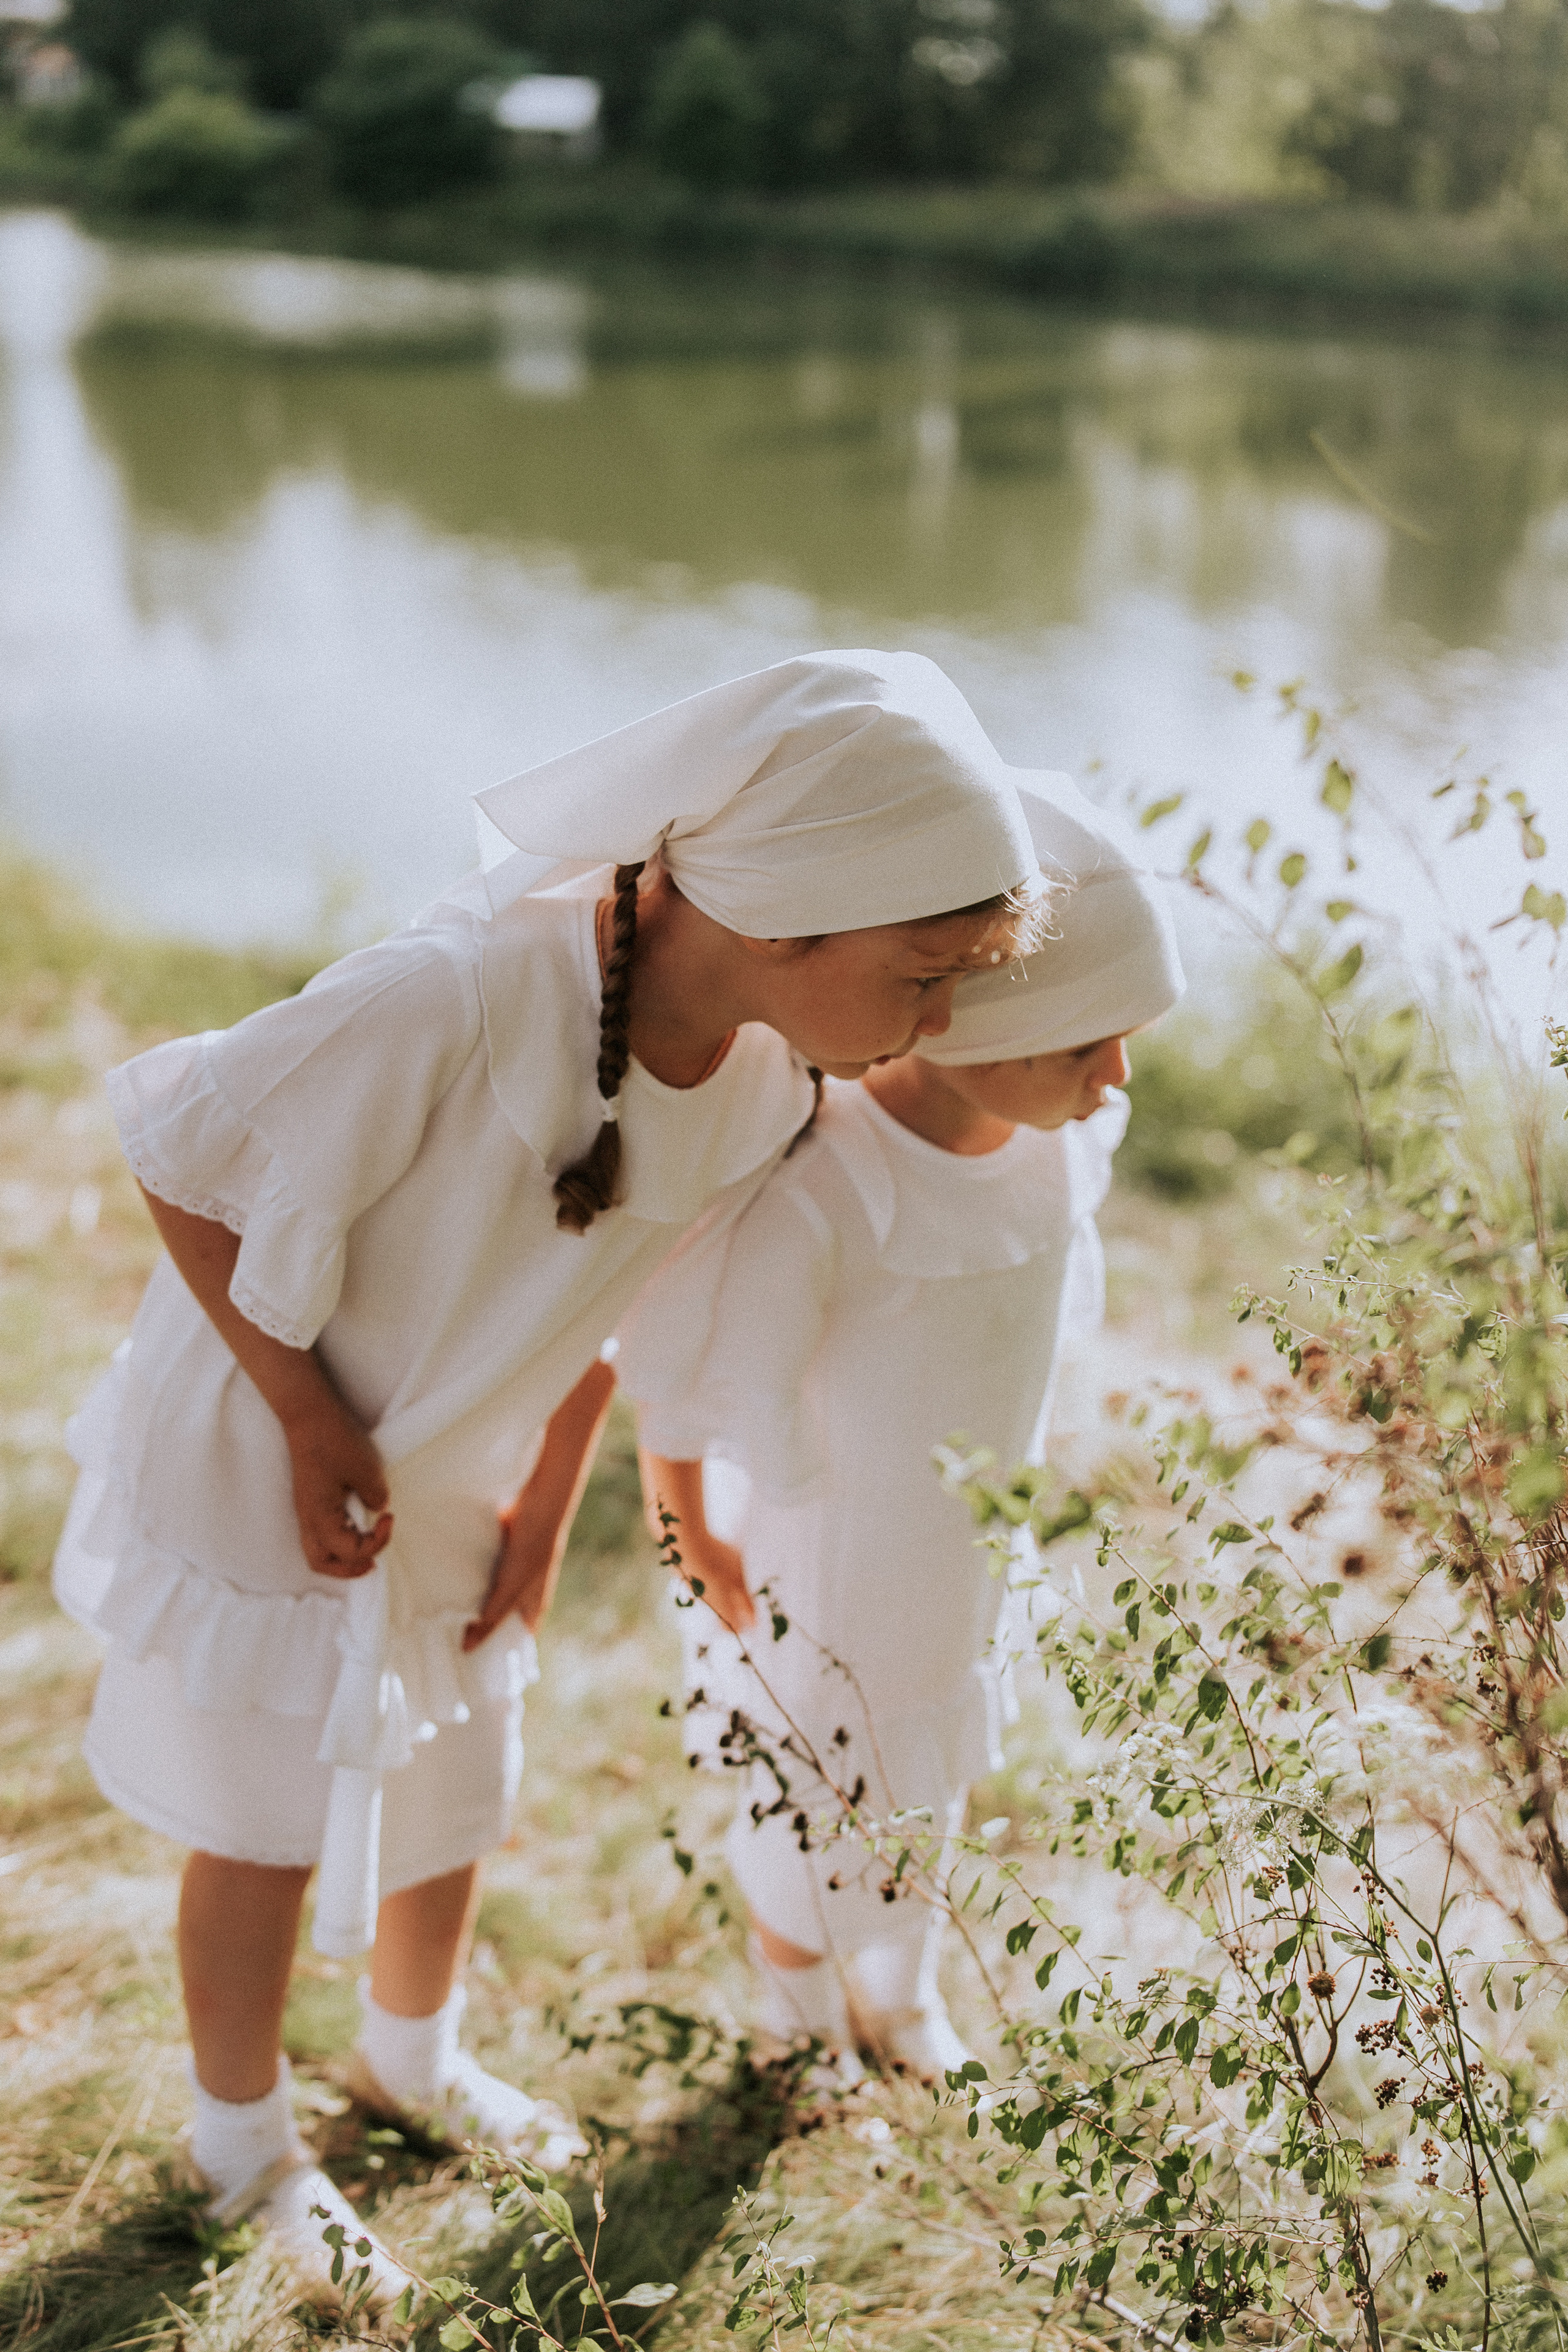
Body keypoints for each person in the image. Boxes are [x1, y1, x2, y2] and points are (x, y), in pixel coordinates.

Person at [51, 651, 1044, 2309]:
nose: (936, 1024)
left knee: (456, 1771)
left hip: (462, 1463)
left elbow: (625, 1290)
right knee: (272, 1817)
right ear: (790, 913)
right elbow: (181, 1158)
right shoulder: (448, 1000)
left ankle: (412, 2059)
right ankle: (241, 2144)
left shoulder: (763, 1081)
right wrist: (307, 1420)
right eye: (926, 977)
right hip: (271, 1435)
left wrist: (552, 1491)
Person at [619, 769, 1183, 2088]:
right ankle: (796, 2005)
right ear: (951, 1020)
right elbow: (688, 1368)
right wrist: (692, 1530)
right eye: (1078, 1046)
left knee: (932, 1762)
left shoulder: (1056, 1152)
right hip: (828, 1557)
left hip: (966, 1550)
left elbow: (1038, 1331)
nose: (1113, 1080)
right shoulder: (833, 1182)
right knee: (819, 1781)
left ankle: (902, 1984)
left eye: (1124, 1040)